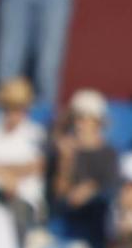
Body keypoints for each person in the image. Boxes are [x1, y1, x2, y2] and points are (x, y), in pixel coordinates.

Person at [0, 77, 49, 229]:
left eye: (19, 107)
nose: (14, 113)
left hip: (23, 203)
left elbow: (36, 166)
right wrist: (9, 174)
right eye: (9, 107)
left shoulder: (36, 134)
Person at [52, 89, 122, 226]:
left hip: (96, 220)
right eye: (76, 118)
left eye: (85, 119)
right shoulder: (64, 151)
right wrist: (65, 161)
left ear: (97, 122)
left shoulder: (109, 153)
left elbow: (111, 188)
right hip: (67, 220)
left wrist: (91, 188)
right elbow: (59, 195)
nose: (79, 125)